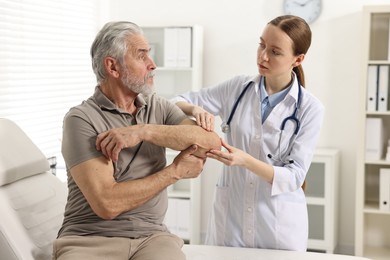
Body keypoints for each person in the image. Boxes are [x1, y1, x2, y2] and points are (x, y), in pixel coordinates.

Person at [53, 21, 221, 260]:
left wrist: (144, 131)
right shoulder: (81, 119)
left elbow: (211, 144)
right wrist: (175, 172)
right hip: (90, 239)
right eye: (142, 57)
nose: (153, 65)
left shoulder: (157, 107)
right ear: (113, 67)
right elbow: (107, 204)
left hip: (152, 238)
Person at [172, 15, 324, 251]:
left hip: (278, 226)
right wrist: (195, 108)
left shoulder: (310, 109)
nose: (263, 56)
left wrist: (245, 161)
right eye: (261, 44)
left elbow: (295, 176)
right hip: (231, 223)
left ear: (298, 59)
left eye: (275, 51)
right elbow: (175, 101)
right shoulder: (237, 89)